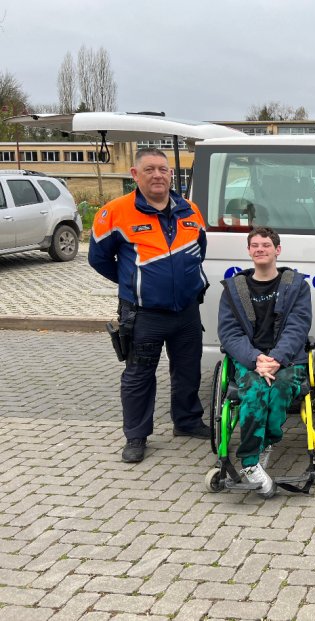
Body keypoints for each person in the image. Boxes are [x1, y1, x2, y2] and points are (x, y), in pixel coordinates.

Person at [89, 148, 209, 463]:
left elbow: (200, 248)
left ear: (171, 174)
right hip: (143, 314)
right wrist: (132, 282)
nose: (157, 175)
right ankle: (137, 437)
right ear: (135, 174)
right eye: (150, 169)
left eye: (163, 169)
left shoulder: (190, 210)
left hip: (186, 310)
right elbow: (98, 259)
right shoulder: (115, 212)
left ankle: (187, 421)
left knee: (188, 369)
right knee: (139, 375)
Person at [217, 227, 312, 496]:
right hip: (250, 358)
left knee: (280, 387)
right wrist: (255, 359)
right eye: (255, 245)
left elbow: (298, 326)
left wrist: (277, 359)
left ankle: (266, 440)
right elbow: (229, 332)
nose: (260, 249)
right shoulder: (234, 289)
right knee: (256, 390)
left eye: (266, 245)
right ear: (249, 251)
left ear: (277, 250)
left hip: (287, 359)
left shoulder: (296, 286)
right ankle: (249, 461)